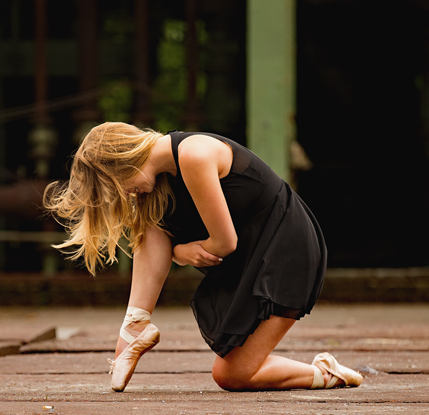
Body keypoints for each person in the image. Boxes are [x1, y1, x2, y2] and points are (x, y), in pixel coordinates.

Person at [44, 122, 363, 393]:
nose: (126, 194)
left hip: (286, 252)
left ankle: (325, 372)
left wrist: (179, 252)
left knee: (231, 375)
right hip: (252, 254)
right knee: (150, 225)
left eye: (119, 186)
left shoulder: (193, 155)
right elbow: (153, 238)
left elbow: (224, 243)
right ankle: (134, 325)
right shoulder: (162, 179)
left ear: (124, 162)